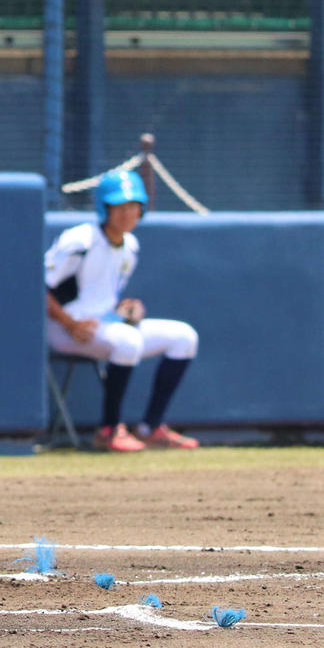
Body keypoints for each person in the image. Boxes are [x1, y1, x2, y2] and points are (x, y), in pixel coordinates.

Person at [44, 169, 200, 452]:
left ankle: (150, 428)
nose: (127, 213)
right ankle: (108, 429)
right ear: (105, 208)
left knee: (184, 336)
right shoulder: (80, 239)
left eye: (133, 207)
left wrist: (125, 310)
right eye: (120, 207)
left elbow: (100, 298)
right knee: (128, 341)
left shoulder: (130, 246)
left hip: (102, 325)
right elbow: (38, 287)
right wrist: (69, 323)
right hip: (62, 329)